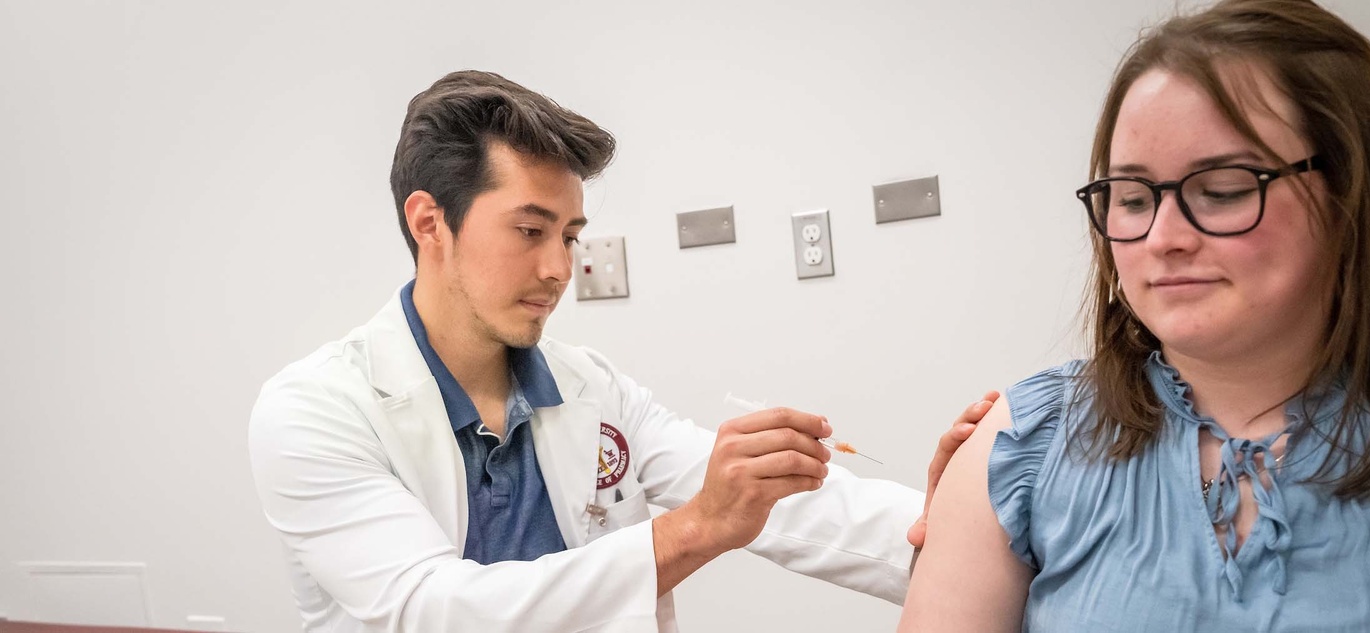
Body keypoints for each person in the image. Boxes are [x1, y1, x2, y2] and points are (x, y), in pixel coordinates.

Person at [247, 69, 995, 632]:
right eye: (530, 231)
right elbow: (437, 610)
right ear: (429, 222)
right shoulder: (314, 411)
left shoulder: (588, 388)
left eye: (570, 237)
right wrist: (697, 524)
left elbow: (785, 506)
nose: (559, 269)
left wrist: (974, 533)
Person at [900, 0, 1370, 630]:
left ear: (1350, 193)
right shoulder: (1018, 447)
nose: (1163, 237)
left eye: (1224, 191)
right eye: (1132, 198)